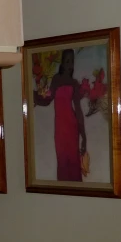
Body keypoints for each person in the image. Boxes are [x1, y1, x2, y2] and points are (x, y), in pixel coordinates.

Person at [33, 49, 87, 181]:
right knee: (62, 161)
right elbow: (47, 100)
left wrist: (84, 137)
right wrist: (33, 97)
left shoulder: (74, 83)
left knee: (74, 161)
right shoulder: (56, 80)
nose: (70, 65)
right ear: (62, 63)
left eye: (72, 62)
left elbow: (78, 111)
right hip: (60, 129)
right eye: (67, 61)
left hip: (72, 127)